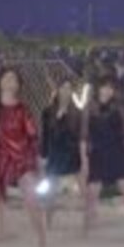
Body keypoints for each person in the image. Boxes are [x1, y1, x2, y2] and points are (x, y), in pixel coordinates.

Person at [0, 68, 46, 247]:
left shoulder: (23, 109)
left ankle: (42, 238)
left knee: (32, 199)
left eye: (13, 78)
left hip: (22, 157)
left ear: (18, 85)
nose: (9, 81)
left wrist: (38, 164)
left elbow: (33, 138)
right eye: (6, 77)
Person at [80, 76, 124, 240]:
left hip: (118, 152)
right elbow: (84, 137)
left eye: (110, 88)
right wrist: (84, 160)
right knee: (91, 195)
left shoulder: (119, 108)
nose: (107, 91)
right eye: (104, 87)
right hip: (98, 154)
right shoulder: (89, 108)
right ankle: (85, 229)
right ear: (98, 89)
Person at [40, 79, 83, 229]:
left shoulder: (76, 112)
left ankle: (87, 221)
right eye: (63, 88)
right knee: (50, 190)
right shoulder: (48, 111)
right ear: (58, 90)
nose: (66, 91)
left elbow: (79, 135)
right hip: (55, 153)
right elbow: (45, 134)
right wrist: (43, 155)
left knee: (83, 188)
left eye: (69, 88)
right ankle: (48, 221)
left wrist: (82, 154)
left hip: (72, 152)